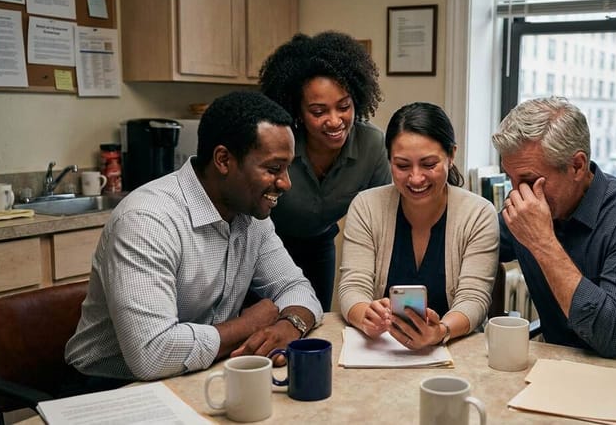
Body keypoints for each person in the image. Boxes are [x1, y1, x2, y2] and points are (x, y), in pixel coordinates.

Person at [65, 91, 323, 383]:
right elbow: (152, 354)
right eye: (273, 169)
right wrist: (248, 325)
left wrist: (289, 325)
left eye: (287, 168)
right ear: (223, 160)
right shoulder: (147, 220)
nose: (286, 183)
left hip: (201, 372)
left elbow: (296, 287)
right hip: (108, 388)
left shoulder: (250, 216)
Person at [492, 96, 616, 424]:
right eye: (511, 180)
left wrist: (543, 242)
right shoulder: (527, 207)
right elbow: (470, 245)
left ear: (577, 166)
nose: (517, 195)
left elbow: (609, 336)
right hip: (560, 365)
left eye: (528, 181)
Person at [338, 102, 498, 350]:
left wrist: (440, 331)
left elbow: (474, 298)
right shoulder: (367, 207)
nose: (415, 178)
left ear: (451, 155)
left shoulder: (478, 214)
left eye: (429, 164)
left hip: (455, 350)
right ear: (389, 160)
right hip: (383, 350)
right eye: (402, 166)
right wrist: (366, 316)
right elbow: (353, 286)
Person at [258, 31, 391, 311]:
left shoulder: (372, 145)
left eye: (343, 107)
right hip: (265, 248)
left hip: (319, 246)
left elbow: (382, 224)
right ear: (298, 112)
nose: (334, 121)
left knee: (315, 320)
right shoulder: (276, 144)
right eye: (319, 112)